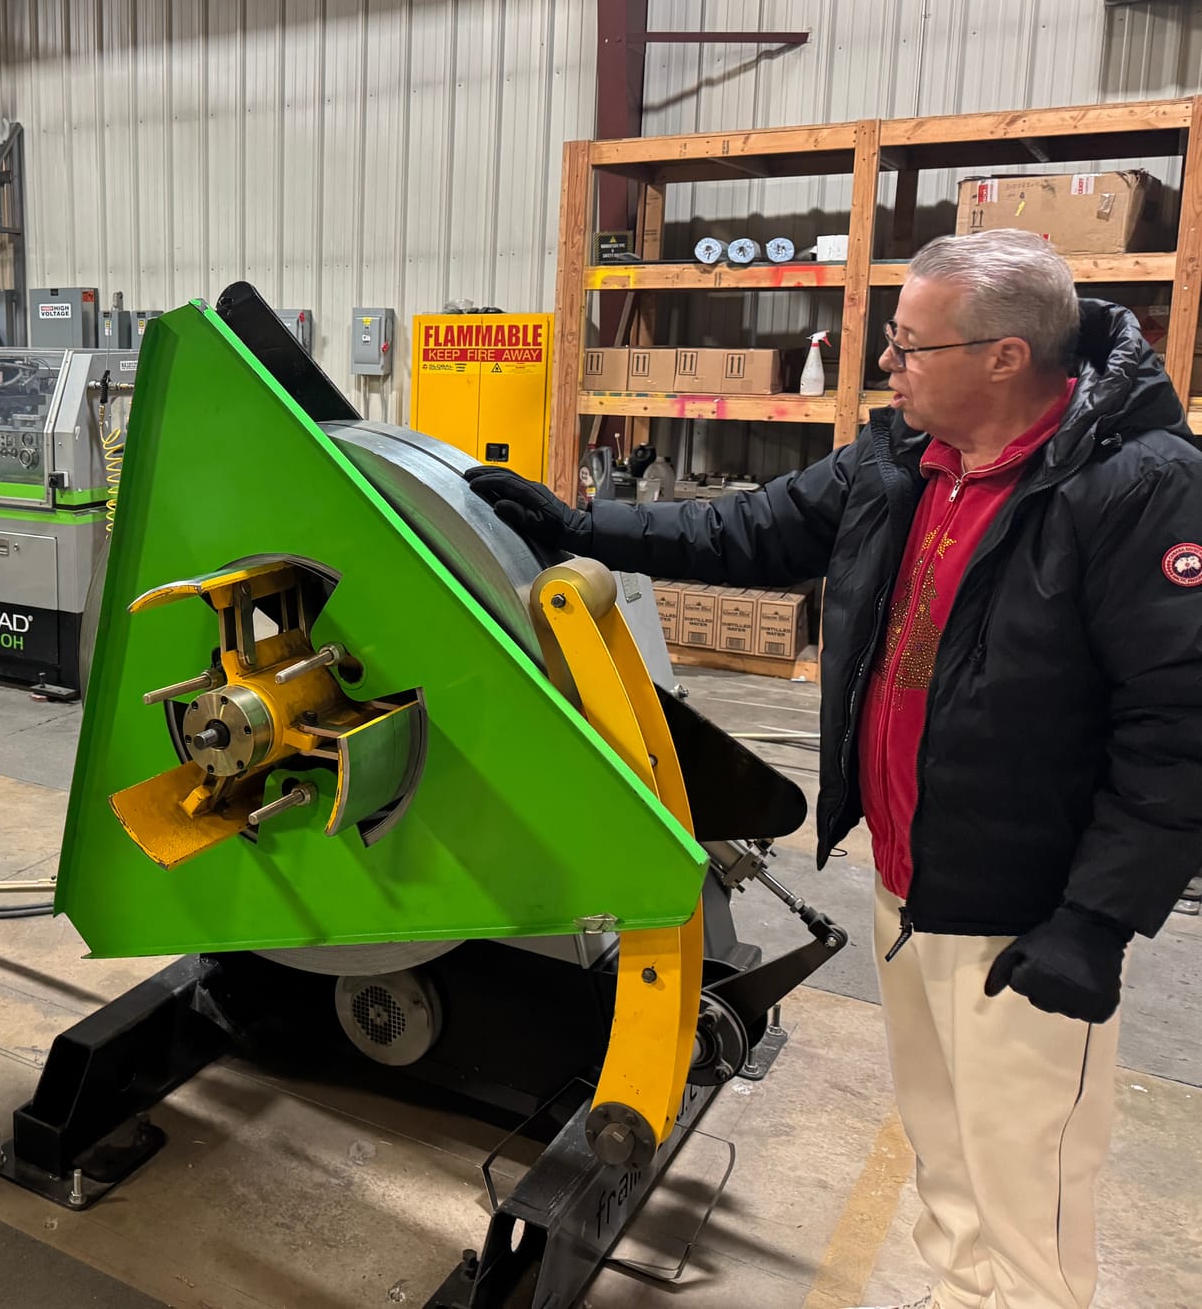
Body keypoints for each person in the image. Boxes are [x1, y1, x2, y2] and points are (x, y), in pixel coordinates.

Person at [469, 228, 1202, 1309]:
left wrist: (1094, 923)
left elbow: (1177, 724)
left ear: (1002, 356)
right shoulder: (900, 459)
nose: (887, 367)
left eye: (908, 347)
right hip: (907, 883)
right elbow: (746, 530)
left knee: (1027, 1204)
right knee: (945, 1160)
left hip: (1023, 914)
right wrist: (582, 526)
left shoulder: (1137, 487)